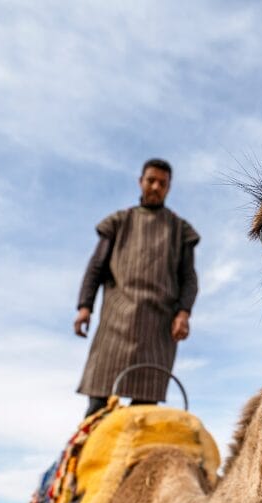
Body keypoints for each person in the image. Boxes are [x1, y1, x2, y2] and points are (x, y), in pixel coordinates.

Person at [74, 158, 199, 417]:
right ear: (140, 181)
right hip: (115, 322)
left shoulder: (179, 229)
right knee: (98, 408)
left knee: (142, 413)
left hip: (158, 328)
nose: (155, 187)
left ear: (169, 188)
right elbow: (95, 268)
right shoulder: (120, 222)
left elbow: (189, 278)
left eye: (162, 184)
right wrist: (85, 307)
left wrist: (183, 313)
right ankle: (86, 456)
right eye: (151, 180)